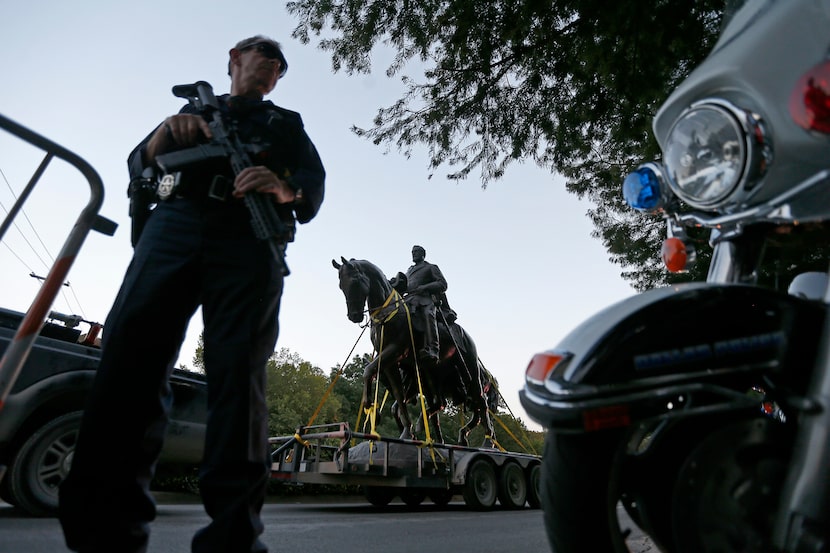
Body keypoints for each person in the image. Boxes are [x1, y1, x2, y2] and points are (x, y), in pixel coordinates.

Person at [58, 35, 325, 553]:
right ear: (234, 59)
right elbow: (139, 164)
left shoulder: (284, 124)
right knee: (128, 358)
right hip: (175, 222)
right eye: (264, 55)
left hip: (249, 237)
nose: (272, 66)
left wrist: (281, 186)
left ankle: (234, 536)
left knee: (239, 377)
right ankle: (103, 528)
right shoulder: (189, 111)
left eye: (280, 65)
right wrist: (163, 135)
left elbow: (312, 188)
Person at [403, 245, 448, 364]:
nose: (414, 254)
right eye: (412, 252)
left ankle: (433, 348)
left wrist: (425, 287)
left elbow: (442, 284)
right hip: (408, 299)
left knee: (428, 313)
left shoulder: (430, 267)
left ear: (423, 254)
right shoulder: (409, 271)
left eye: (416, 252)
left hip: (425, 299)